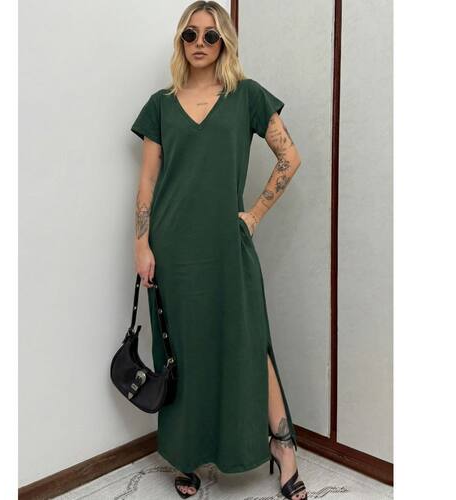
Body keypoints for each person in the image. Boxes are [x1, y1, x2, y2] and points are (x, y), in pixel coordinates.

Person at [130, 2, 307, 499]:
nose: (200, 43)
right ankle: (186, 455)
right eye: (191, 34)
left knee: (249, 342)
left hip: (227, 246)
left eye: (211, 35)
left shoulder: (246, 96)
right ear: (180, 41)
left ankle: (283, 448)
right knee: (183, 350)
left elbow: (290, 158)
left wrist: (253, 215)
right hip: (173, 249)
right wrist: (141, 242)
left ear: (225, 42)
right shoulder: (160, 105)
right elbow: (147, 182)